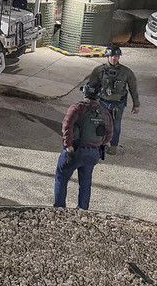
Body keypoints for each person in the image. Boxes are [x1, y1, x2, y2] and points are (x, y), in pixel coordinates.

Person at [54, 80, 114, 210]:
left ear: (85, 92)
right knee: (86, 183)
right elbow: (109, 135)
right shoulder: (105, 112)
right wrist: (99, 144)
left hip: (75, 150)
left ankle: (59, 208)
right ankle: (83, 209)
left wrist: (68, 145)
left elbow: (67, 126)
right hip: (93, 153)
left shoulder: (77, 108)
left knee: (61, 177)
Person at [85, 45, 140, 155]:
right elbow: (91, 86)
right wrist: (87, 100)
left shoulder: (126, 72)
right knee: (99, 123)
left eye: (116, 56)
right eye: (112, 56)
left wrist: (136, 104)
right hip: (102, 102)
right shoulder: (99, 70)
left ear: (119, 57)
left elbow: (133, 88)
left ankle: (113, 146)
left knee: (116, 125)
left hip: (118, 104)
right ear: (107, 56)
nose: (114, 58)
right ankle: (99, 144)